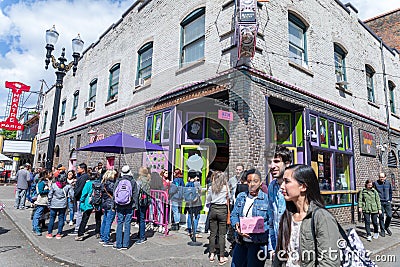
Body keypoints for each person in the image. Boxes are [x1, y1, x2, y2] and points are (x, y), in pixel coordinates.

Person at [274, 164, 341, 266]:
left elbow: (329, 262)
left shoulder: (321, 217)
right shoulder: (287, 215)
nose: (282, 186)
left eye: (287, 181)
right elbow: (279, 256)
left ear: (303, 186)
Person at [231, 169, 269, 267]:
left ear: (260, 182)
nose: (252, 184)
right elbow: (234, 215)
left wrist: (259, 228)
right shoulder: (241, 197)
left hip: (258, 243)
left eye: (255, 181)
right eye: (249, 181)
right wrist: (237, 226)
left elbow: (271, 222)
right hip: (241, 242)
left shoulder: (267, 199)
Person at [268, 145, 291, 252]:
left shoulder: (296, 186)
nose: (272, 166)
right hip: (278, 247)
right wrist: (272, 248)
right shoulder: (271, 186)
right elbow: (271, 220)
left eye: (276, 161)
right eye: (270, 162)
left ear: (287, 164)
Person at [206, 171, 230, 265]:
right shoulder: (226, 188)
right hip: (222, 210)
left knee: (212, 234)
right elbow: (230, 198)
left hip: (213, 209)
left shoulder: (211, 188)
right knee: (222, 234)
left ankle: (211, 254)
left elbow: (208, 199)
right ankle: (221, 256)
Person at [114, 165, 138, 250]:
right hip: (129, 205)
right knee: (127, 223)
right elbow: (135, 194)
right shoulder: (132, 181)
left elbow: (115, 193)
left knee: (119, 223)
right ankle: (126, 244)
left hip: (119, 204)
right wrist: (135, 205)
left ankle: (118, 244)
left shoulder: (118, 180)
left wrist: (114, 205)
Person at [46, 173, 74, 239]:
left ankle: (49, 233)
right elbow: (72, 195)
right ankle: (59, 233)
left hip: (54, 204)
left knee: (52, 218)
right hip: (63, 204)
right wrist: (71, 200)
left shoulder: (54, 185)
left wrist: (49, 203)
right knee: (61, 218)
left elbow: (50, 195)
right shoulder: (68, 186)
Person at [75, 172, 97, 241]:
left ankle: (80, 234)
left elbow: (84, 194)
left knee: (84, 219)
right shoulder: (99, 183)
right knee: (98, 219)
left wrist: (81, 201)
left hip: (88, 203)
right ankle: (98, 232)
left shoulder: (88, 184)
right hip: (97, 203)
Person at [71, 163, 89, 236]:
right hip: (80, 197)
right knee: (79, 213)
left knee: (79, 214)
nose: (77, 169)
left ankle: (77, 228)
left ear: (83, 169)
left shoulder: (84, 177)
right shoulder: (82, 176)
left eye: (78, 168)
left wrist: (74, 194)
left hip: (80, 198)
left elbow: (80, 188)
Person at [100, 169, 117, 247]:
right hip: (111, 204)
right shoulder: (111, 184)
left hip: (105, 203)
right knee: (108, 222)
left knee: (105, 221)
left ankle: (102, 237)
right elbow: (115, 192)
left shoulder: (103, 182)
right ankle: (106, 239)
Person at [373, 172, 393, 237]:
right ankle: (382, 230)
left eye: (382, 177)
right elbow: (373, 192)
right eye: (380, 177)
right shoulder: (375, 183)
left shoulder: (388, 183)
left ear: (385, 177)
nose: (381, 178)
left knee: (389, 215)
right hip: (380, 202)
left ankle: (386, 227)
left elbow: (390, 192)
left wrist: (390, 199)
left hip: (387, 202)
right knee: (381, 217)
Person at [32, 170, 50, 236]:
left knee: (42, 215)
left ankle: (38, 226)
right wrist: (48, 190)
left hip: (44, 201)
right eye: (48, 173)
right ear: (45, 174)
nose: (50, 175)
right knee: (37, 215)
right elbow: (40, 192)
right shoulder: (41, 183)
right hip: (41, 201)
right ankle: (36, 228)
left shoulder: (45, 182)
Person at [185, 170, 202, 238]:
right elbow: (200, 192)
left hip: (189, 203)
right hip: (196, 203)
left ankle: (189, 231)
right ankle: (194, 232)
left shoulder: (187, 183)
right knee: (197, 216)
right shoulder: (197, 183)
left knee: (189, 216)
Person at [136, 166, 151, 244]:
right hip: (146, 201)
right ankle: (140, 234)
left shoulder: (140, 180)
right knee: (142, 218)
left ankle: (142, 237)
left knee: (141, 218)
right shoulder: (148, 180)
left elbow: (137, 191)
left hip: (140, 201)